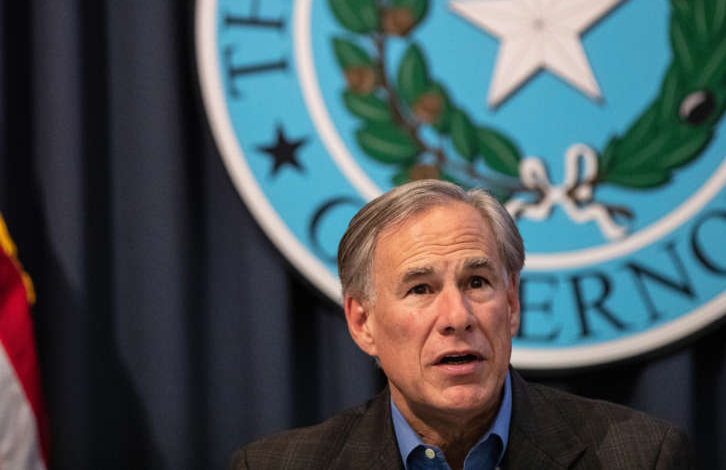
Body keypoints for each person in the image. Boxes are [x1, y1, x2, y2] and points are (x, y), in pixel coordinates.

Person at [231, 180, 691, 469]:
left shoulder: (642, 457)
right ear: (362, 321)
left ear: (511, 303)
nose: (457, 317)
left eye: (477, 282)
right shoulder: (273, 465)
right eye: (420, 289)